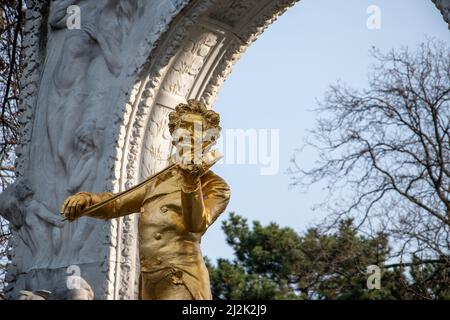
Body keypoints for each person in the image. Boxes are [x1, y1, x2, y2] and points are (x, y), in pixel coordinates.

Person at [60, 100, 231, 299]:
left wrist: (190, 182)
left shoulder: (216, 186)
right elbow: (116, 204)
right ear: (174, 136)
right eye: (183, 127)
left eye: (197, 130)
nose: (188, 134)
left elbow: (196, 225)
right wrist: (87, 201)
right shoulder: (159, 181)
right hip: (150, 282)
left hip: (181, 278)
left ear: (207, 141)